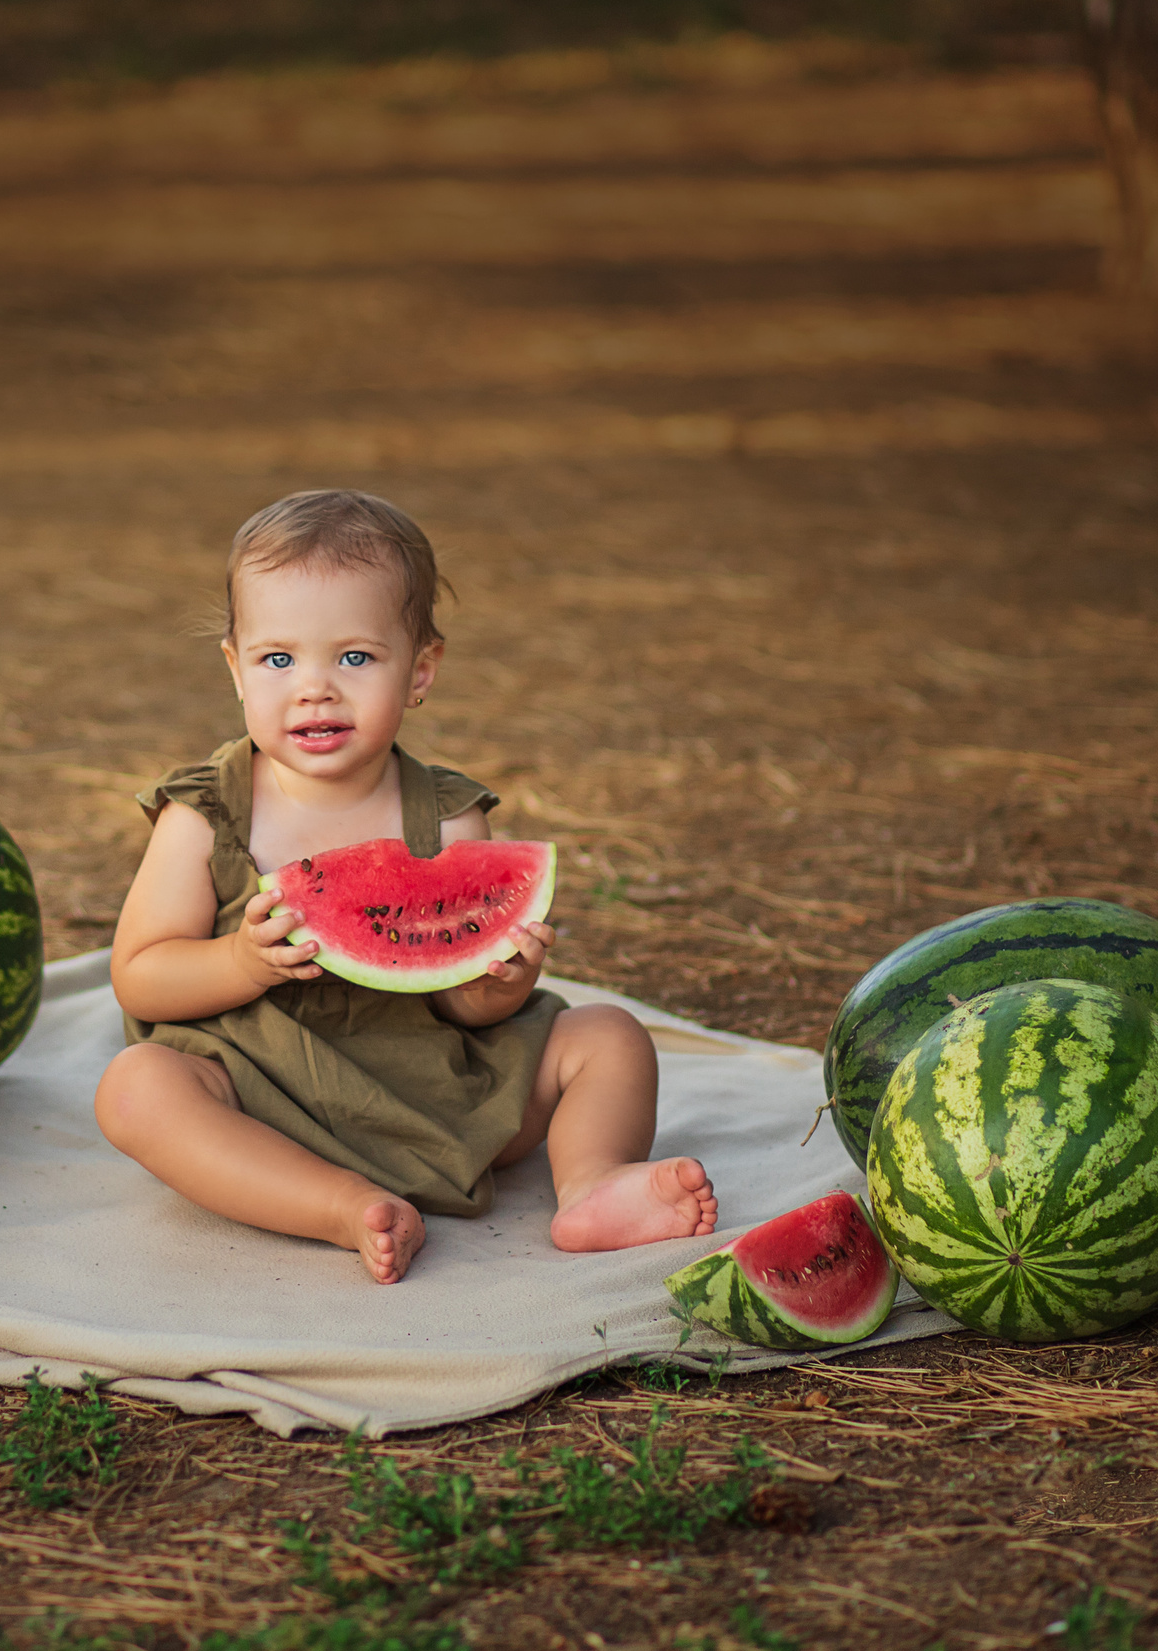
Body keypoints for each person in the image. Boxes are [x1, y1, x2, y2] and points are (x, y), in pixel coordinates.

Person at [94, 490, 718, 1283]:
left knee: (608, 1036)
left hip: (436, 1089)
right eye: (279, 659)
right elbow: (141, 976)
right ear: (235, 668)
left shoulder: (449, 819)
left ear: (419, 671)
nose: (315, 687)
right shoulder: (203, 814)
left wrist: (499, 985)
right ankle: (338, 1204)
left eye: (354, 657)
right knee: (135, 1089)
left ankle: (592, 1183)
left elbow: (457, 1003)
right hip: (262, 1093)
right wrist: (243, 962)